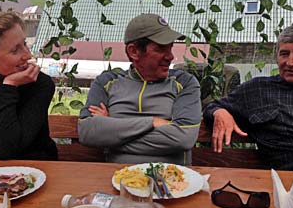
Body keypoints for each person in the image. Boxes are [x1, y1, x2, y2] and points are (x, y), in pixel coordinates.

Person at [203, 24, 293, 172]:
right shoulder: (257, 90)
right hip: (285, 180)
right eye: (284, 54)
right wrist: (219, 112)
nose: (290, 62)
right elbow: (212, 107)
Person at [78, 13, 201, 165]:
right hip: (117, 179)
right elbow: (87, 132)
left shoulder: (184, 83)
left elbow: (184, 138)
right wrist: (153, 122)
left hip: (173, 181)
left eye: (170, 48)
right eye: (161, 48)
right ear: (134, 51)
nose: (170, 56)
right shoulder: (106, 82)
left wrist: (112, 130)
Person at [0, 11, 58, 160]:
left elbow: (5, 151)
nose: (28, 55)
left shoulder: (40, 84)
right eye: (15, 50)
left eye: (25, 44)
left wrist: (9, 86)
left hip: (37, 170)